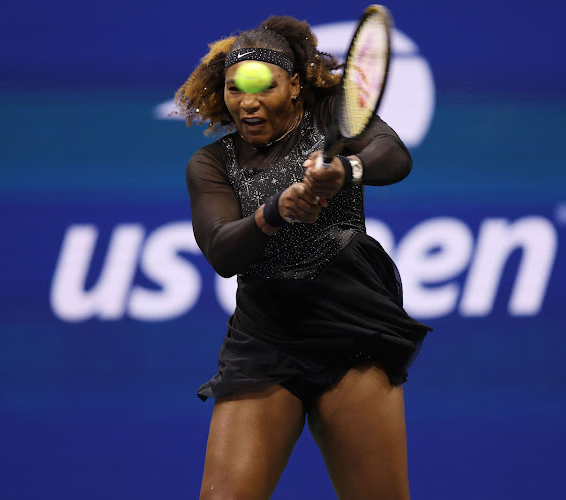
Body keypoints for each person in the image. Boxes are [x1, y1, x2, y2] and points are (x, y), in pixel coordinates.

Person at [174, 15, 430, 500]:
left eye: (263, 88)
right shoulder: (210, 163)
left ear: (294, 86)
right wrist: (275, 212)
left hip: (351, 327)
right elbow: (223, 250)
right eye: (234, 90)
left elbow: (393, 155)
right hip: (265, 337)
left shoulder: (330, 115)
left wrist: (347, 168)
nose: (246, 103)